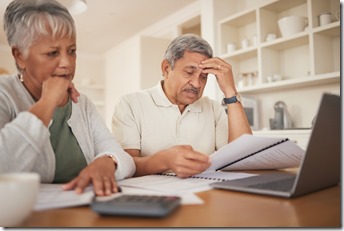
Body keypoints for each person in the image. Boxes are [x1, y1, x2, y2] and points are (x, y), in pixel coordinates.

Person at [0, 0, 135, 196]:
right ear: (20, 55)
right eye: (52, 53)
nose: (66, 63)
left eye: (71, 51)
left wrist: (108, 161)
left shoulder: (83, 103)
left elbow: (122, 156)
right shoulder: (4, 94)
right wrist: (47, 102)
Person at [112, 34, 252, 178]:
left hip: (205, 193)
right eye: (189, 72)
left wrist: (230, 91)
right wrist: (164, 160)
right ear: (166, 68)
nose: (197, 84)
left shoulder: (213, 108)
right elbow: (126, 166)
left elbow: (244, 156)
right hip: (153, 196)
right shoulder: (130, 104)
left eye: (203, 77)